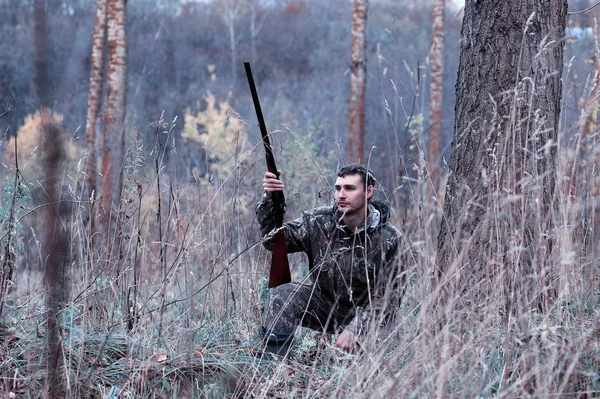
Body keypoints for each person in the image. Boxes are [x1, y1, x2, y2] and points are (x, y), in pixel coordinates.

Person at [256, 163, 401, 356]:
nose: (341, 194)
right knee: (283, 294)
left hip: (368, 315)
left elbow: (388, 299)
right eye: (338, 188)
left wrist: (355, 328)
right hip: (324, 306)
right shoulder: (317, 221)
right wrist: (269, 200)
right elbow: (273, 241)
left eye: (350, 188)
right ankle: (273, 365)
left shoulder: (389, 238)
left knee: (372, 369)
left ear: (368, 192)